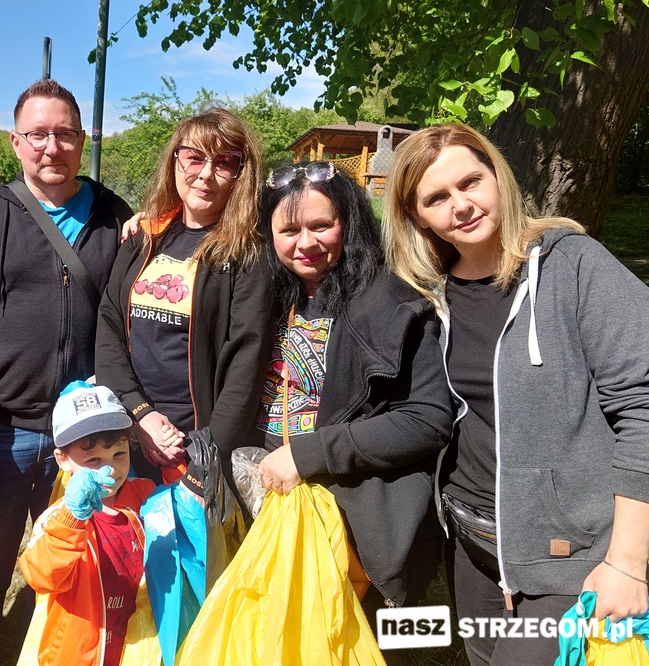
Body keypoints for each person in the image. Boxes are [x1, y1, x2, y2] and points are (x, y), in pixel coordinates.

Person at [382, 122, 649, 665]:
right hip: (472, 541)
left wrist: (628, 563)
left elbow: (643, 406)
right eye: (436, 197)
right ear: (415, 215)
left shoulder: (575, 266)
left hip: (571, 551)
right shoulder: (429, 295)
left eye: (471, 182)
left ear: (497, 176)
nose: (461, 204)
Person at [0, 79, 133, 665]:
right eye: (38, 134)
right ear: (16, 141)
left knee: (80, 574)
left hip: (90, 441)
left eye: (65, 134)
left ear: (83, 139)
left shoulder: (113, 215)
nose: (53, 146)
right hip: (1, 432)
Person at [253, 161, 452, 622]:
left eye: (323, 225)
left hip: (351, 520)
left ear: (350, 224)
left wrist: (312, 453)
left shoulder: (394, 305)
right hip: (264, 501)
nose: (306, 243)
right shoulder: (259, 294)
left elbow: (427, 419)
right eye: (290, 229)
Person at [96, 107, 271, 477]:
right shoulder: (144, 237)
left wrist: (205, 456)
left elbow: (246, 366)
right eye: (194, 157)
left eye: (225, 162)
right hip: (127, 437)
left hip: (198, 447)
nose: (205, 174)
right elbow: (109, 324)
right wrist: (139, 414)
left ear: (241, 174)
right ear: (175, 160)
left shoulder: (248, 253)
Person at [18, 382, 156, 666]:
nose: (111, 469)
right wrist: (72, 517)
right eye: (93, 459)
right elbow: (42, 576)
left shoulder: (143, 494)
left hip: (133, 641)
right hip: (78, 651)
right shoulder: (58, 518)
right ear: (63, 459)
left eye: (119, 454)